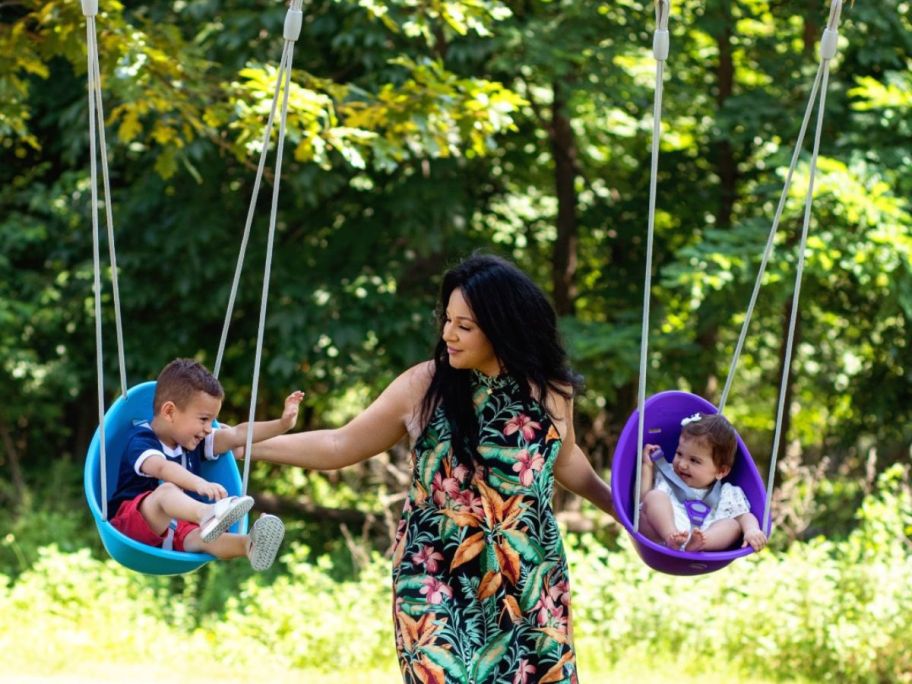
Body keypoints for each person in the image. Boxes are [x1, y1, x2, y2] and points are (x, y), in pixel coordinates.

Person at [246, 253, 615, 683]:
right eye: (447, 320)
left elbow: (565, 460)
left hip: (528, 582)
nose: (448, 334)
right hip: (435, 580)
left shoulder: (550, 391)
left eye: (464, 326)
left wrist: (625, 513)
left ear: (501, 329)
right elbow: (337, 444)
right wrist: (244, 445)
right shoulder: (425, 386)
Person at [108, 358, 304, 571]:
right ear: (170, 412)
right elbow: (163, 468)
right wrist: (199, 484)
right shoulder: (141, 440)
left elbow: (238, 434)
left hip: (178, 530)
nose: (209, 429)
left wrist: (282, 424)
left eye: (212, 421)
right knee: (167, 491)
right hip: (132, 524)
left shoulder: (193, 443)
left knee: (203, 538)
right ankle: (207, 514)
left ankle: (249, 544)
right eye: (204, 419)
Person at [638, 411, 767, 553]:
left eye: (694, 461)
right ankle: (671, 537)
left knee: (733, 526)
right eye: (679, 454)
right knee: (654, 497)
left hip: (703, 537)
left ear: (721, 471)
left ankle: (701, 542)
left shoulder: (727, 492)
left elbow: (744, 516)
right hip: (659, 533)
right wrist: (647, 466)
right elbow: (643, 500)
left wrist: (751, 530)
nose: (682, 464)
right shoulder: (667, 473)